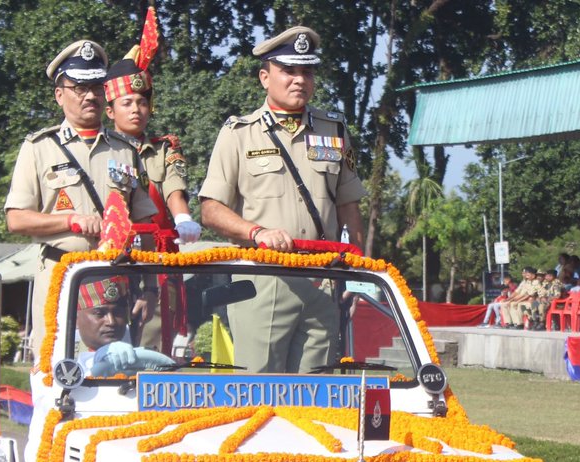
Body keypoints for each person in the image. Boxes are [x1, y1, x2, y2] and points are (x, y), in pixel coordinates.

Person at [199, 25, 365, 372]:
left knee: (318, 395)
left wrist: (356, 275)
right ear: (265, 77)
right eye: (288, 70)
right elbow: (211, 210)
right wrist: (257, 233)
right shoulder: (238, 134)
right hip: (263, 279)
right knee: (260, 392)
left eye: (306, 71)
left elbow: (349, 206)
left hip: (323, 280)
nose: (298, 80)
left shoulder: (334, 131)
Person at [5, 39, 157, 359]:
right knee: (54, 368)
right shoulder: (38, 147)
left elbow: (145, 225)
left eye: (97, 87)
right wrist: (71, 221)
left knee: (116, 374)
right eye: (78, 87)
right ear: (59, 95)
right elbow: (16, 218)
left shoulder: (125, 149)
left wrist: (150, 289)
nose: (90, 96)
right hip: (59, 275)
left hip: (115, 281)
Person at [102, 10, 201, 355]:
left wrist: (183, 217)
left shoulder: (164, 148)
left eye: (143, 102)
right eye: (127, 102)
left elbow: (174, 185)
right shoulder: (101, 150)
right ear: (110, 110)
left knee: (154, 346)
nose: (136, 109)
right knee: (106, 347)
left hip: (157, 260)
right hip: (112, 260)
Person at [74, 276, 173, 377]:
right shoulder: (66, 358)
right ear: (76, 320)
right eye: (100, 314)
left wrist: (150, 289)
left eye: (118, 313)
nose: (111, 322)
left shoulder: (145, 360)